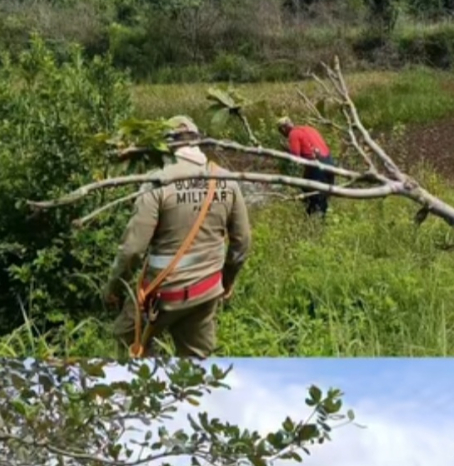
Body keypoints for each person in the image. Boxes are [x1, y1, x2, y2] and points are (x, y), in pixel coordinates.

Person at [105, 115, 252, 358]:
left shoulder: (157, 182)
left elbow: (132, 250)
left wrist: (114, 287)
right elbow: (242, 242)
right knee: (198, 361)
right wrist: (227, 280)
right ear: (198, 142)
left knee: (124, 336)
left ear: (165, 146)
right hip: (206, 291)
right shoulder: (226, 180)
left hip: (161, 295)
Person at [276, 116, 334, 218]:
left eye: (281, 132)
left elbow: (296, 158)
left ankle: (315, 220)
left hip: (317, 165)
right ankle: (321, 215)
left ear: (283, 129)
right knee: (322, 193)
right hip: (330, 162)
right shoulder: (309, 128)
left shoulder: (293, 134)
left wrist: (286, 149)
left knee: (313, 194)